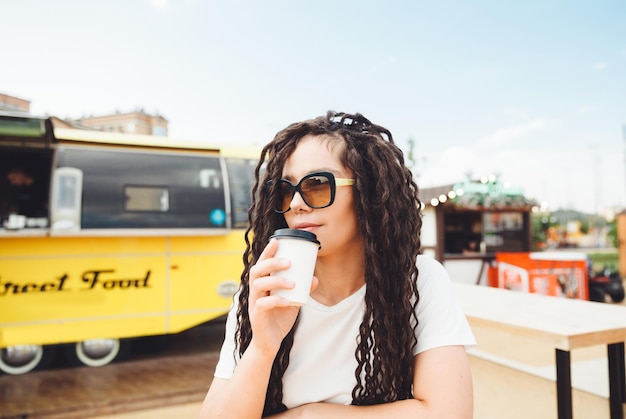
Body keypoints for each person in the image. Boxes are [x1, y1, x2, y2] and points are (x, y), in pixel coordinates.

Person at [200, 111, 476, 418]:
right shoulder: (263, 293)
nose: (296, 204)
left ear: (368, 193)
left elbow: (449, 413)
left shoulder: (418, 281)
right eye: (285, 190)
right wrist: (263, 348)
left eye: (317, 184)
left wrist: (311, 415)